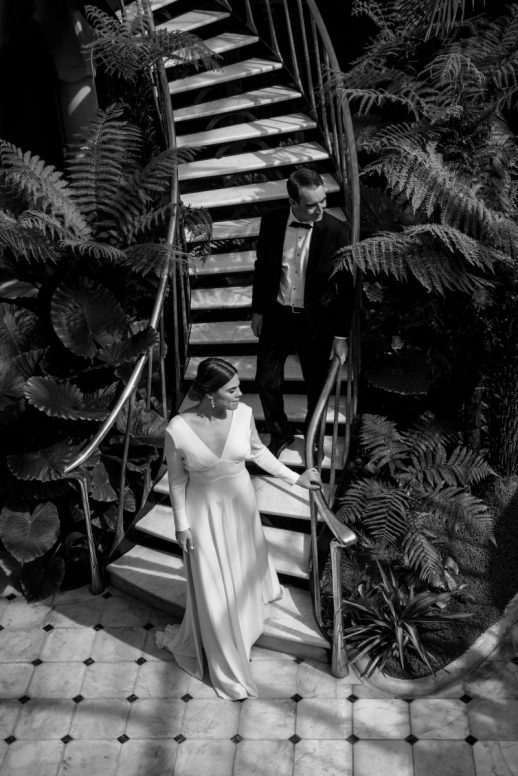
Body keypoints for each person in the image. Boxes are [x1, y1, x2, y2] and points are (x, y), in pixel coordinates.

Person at [155, 357, 321, 701]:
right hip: (203, 515)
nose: (240, 393)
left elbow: (259, 454)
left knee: (242, 570)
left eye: (239, 387)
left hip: (241, 506)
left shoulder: (244, 415)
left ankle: (246, 622)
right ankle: (228, 669)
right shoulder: (177, 429)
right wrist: (181, 526)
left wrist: (296, 478)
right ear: (210, 394)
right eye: (232, 389)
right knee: (215, 588)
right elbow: (175, 481)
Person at [251, 167, 355, 457]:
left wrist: (340, 336)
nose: (321, 208)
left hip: (316, 324)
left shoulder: (337, 230)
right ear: (292, 202)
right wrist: (258, 309)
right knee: (265, 382)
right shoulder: (271, 221)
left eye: (323, 200)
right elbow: (263, 268)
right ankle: (280, 433)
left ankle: (313, 438)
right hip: (277, 316)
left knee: (316, 387)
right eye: (312, 204)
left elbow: (347, 288)